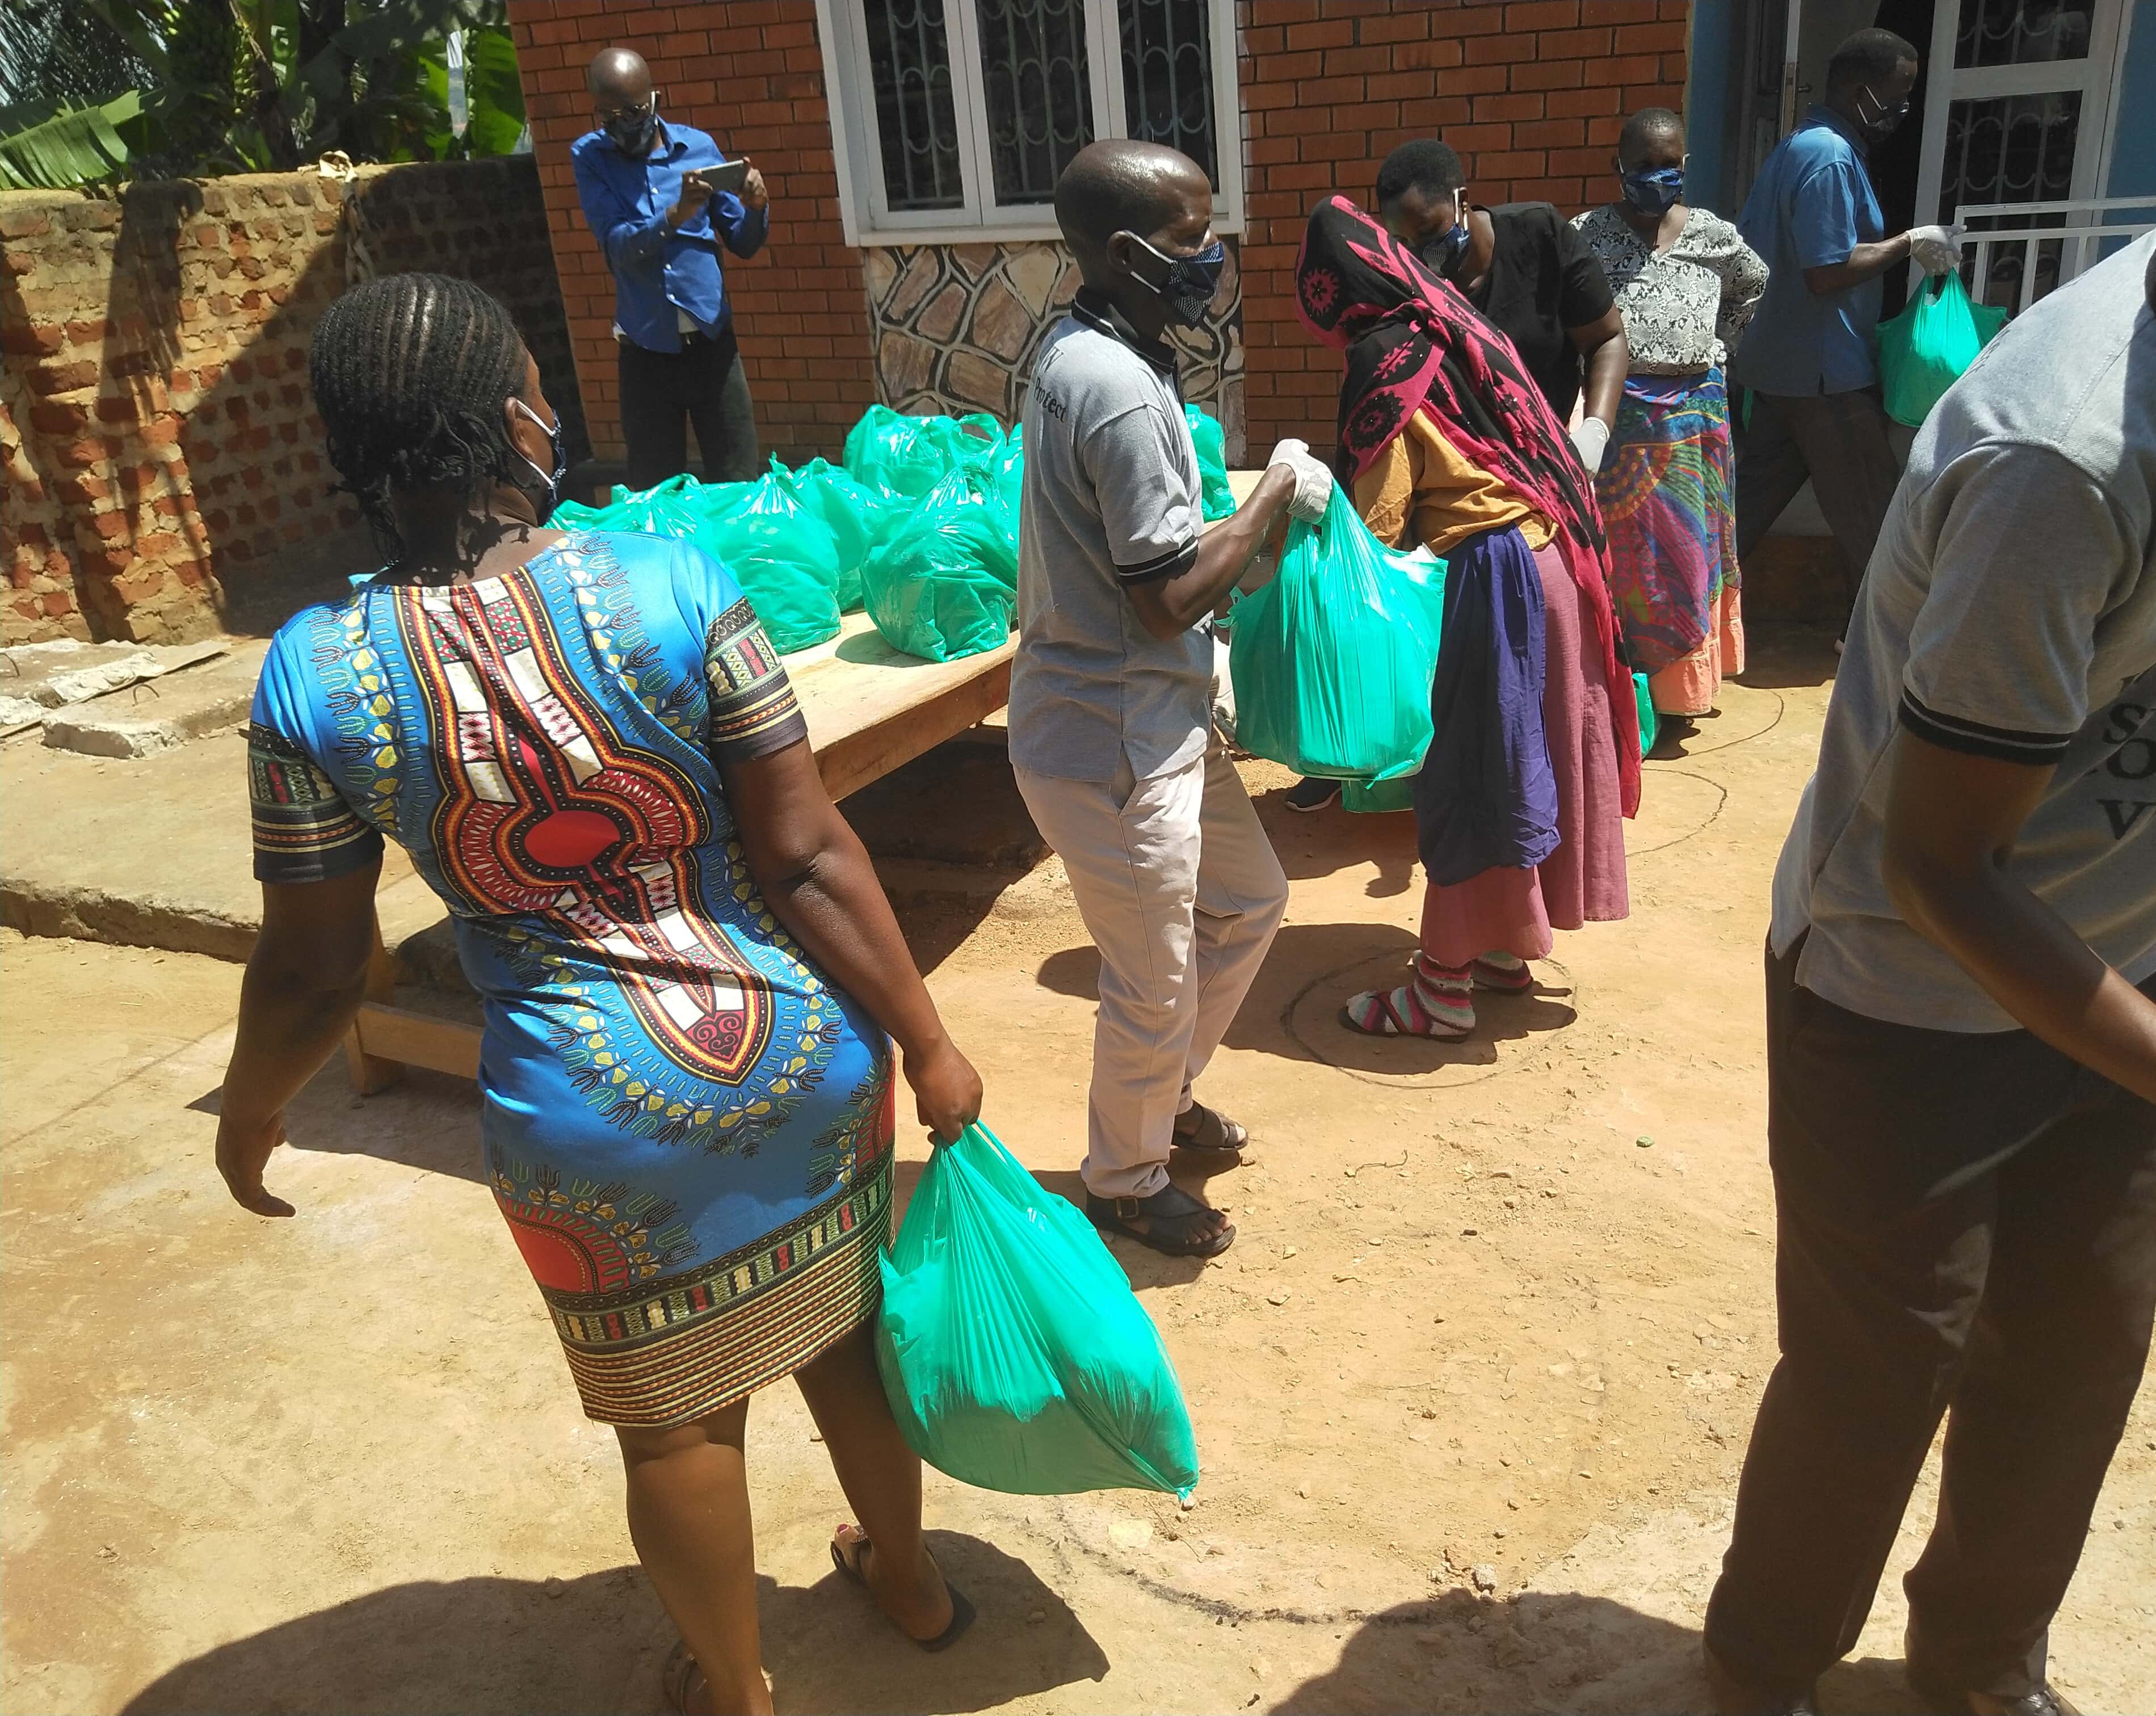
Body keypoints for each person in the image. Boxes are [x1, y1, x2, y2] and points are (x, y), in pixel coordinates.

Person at [215, 274, 990, 1716]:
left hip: (589, 1115)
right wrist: (930, 1043)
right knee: (845, 1336)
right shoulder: (674, 583)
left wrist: (252, 1112)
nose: (549, 405)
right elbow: (809, 851)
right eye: (533, 380)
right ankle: (914, 1584)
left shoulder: (307, 679)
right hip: (803, 1055)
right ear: (508, 419)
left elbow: (316, 967)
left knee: (676, 1428)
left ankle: (738, 1691)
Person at [1701, 86, 2156, 1716]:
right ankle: (1763, 1673)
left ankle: (1977, 1667)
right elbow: (1941, 870)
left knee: (2077, 1354)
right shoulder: (2071, 456)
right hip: (1908, 991)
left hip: (2129, 952)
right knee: (1882, 1372)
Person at [1008, 141, 1330, 1260]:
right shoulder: (1112, 391)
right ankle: (1126, 1179)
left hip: (1155, 714)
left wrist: (1248, 525)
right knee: (1153, 975)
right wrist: (1274, 492)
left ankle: (1164, 1092)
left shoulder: (1103, 351)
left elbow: (1157, 561)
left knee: (1247, 901)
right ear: (1127, 252)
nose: (1214, 256)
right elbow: (1165, 598)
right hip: (1109, 735)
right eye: (1193, 238)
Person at [1296, 196, 1640, 1041]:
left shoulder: (1385, 359)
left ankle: (1443, 988)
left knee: (1474, 776)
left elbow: (1381, 521)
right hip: (1557, 566)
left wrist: (1301, 544)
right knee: (1526, 759)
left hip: (1496, 578)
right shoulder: (1455, 322)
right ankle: (1503, 950)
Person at [1283, 138, 1633, 818]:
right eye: (1404, 243)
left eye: (1429, 233)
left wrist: (1591, 431)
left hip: (1500, 553)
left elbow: (1381, 527)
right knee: (1552, 740)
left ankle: (1369, 770)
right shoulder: (1441, 317)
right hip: (1553, 529)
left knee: (1493, 775)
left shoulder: (1392, 351)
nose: (1420, 252)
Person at [1730, 28, 1962, 642]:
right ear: (1863, 91)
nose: (1903, 108)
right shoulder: (1829, 157)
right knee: (1877, 518)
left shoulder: (1800, 147)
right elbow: (1827, 270)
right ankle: (1881, 646)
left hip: (1779, 369)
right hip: (1824, 373)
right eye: (1899, 94)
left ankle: (1668, 619)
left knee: (1740, 514)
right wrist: (1910, 242)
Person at [1574, 107, 1768, 752]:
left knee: (1686, 555)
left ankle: (1679, 697)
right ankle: (1626, 689)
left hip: (1693, 420)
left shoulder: (1715, 236)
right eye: (1643, 166)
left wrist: (1718, 347)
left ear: (1684, 165)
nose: (1657, 177)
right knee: (1625, 563)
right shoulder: (1585, 236)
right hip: (1618, 421)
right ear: (1618, 167)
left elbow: (1752, 285)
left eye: (1669, 165)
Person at [574, 46, 771, 493]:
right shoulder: (591, 157)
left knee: (738, 483)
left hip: (712, 345)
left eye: (633, 112)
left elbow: (743, 243)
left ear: (654, 99)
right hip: (646, 352)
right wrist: (674, 216)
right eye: (608, 116)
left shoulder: (697, 148)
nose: (622, 125)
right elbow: (617, 246)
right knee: (655, 492)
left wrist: (757, 207)